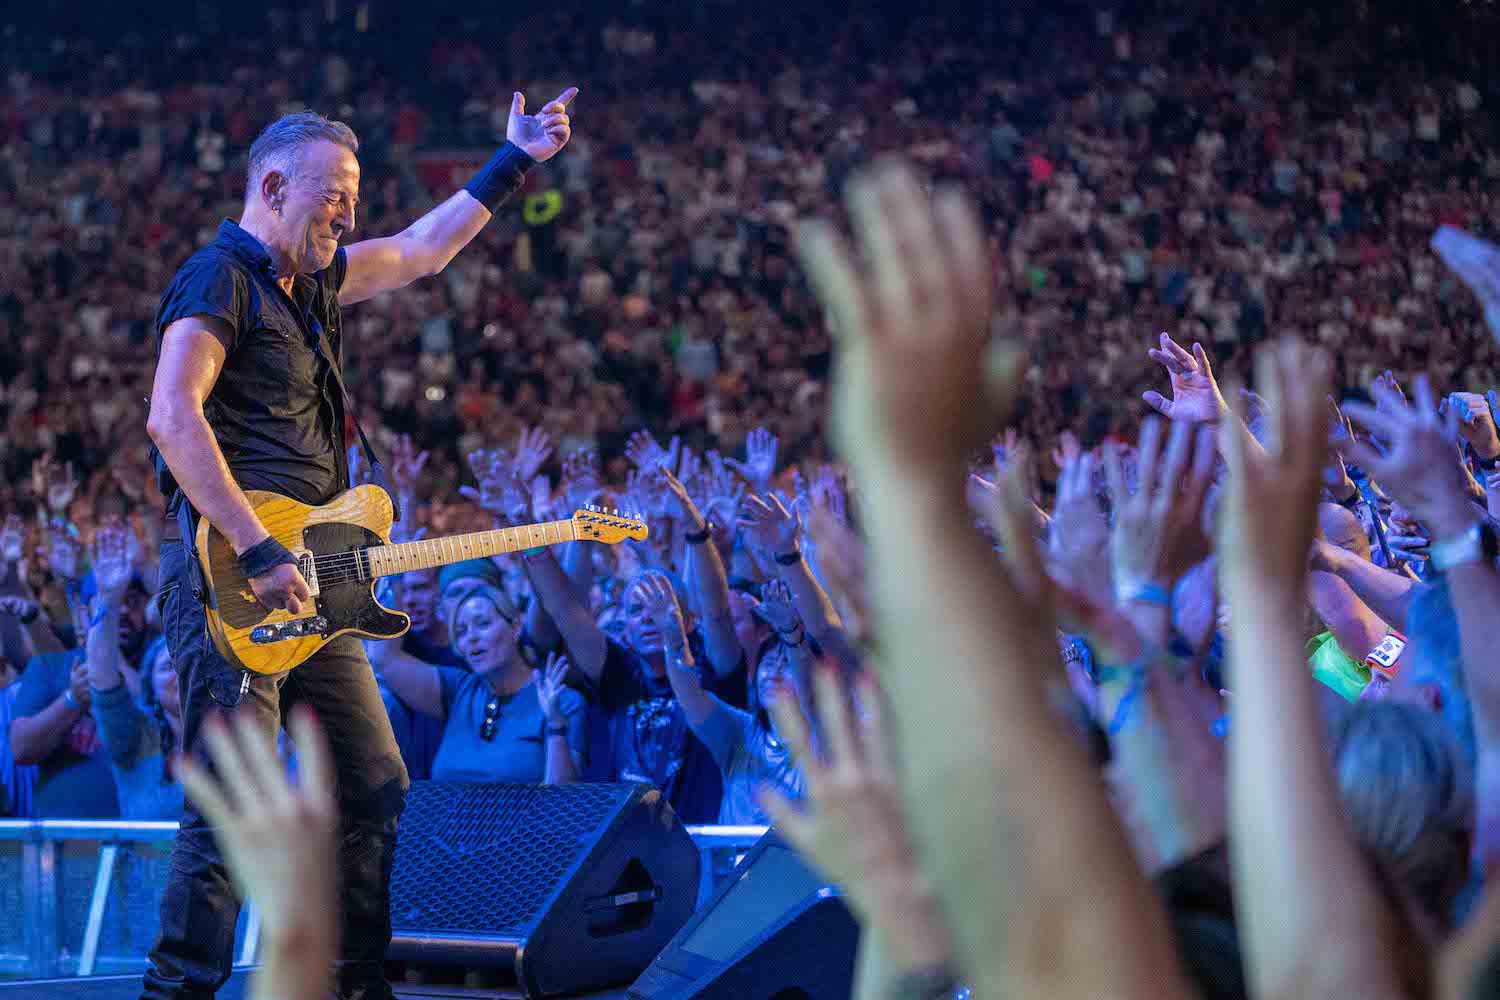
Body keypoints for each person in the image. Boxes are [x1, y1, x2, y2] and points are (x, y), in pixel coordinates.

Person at [141, 87, 576, 1000]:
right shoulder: (219, 279)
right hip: (239, 571)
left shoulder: (316, 285)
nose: (350, 210)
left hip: (321, 572)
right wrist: (258, 549)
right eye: (333, 192)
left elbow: (422, 252)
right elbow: (172, 418)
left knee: (376, 781)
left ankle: (358, 982)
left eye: (355, 194)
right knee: (238, 801)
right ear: (270, 185)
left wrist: (515, 161)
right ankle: (176, 990)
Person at [368, 582, 587, 785]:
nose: (471, 638)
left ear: (516, 626)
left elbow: (562, 802)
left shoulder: (564, 700)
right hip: (451, 826)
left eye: (482, 624)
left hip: (523, 827)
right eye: (461, 632)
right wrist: (391, 573)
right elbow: (384, 659)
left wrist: (556, 725)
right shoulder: (459, 689)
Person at [86, 523, 184, 819]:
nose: (180, 674)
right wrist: (110, 600)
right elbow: (103, 678)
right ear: (149, 686)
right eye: (168, 667)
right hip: (148, 866)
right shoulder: (135, 734)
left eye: (185, 665)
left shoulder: (227, 732)